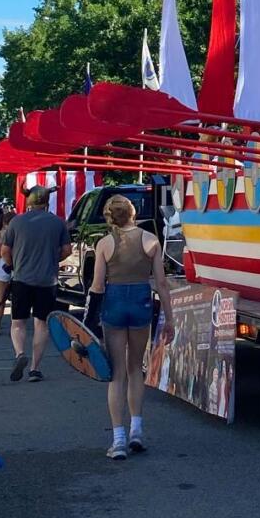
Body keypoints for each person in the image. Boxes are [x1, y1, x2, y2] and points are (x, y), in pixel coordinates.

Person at [87, 196, 174, 460]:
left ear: (109, 217)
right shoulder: (150, 241)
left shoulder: (104, 243)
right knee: (136, 367)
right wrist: (169, 319)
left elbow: (97, 285)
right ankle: (137, 430)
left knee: (117, 373)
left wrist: (89, 321)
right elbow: (161, 283)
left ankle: (119, 439)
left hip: (113, 304)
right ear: (133, 213)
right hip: (140, 303)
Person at [0, 185, 72, 383]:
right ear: (47, 202)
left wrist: (12, 264)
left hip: (21, 278)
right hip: (47, 281)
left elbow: (5, 250)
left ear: (29, 201)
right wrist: (52, 259)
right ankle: (34, 369)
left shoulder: (17, 222)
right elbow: (67, 250)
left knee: (18, 322)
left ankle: (20, 353)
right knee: (41, 324)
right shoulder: (58, 223)